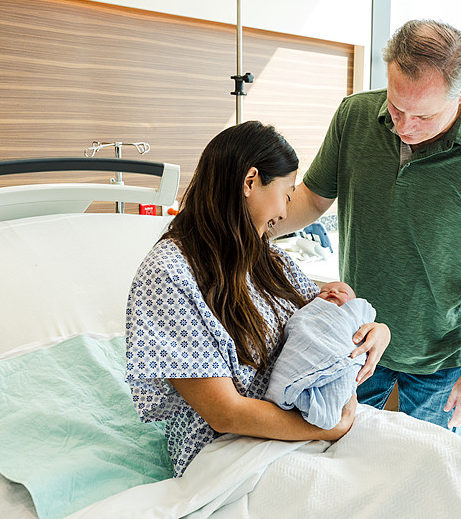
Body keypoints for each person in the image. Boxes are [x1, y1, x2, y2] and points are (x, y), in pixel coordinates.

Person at [269, 20, 461, 432]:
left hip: (440, 356)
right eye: (395, 108)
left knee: (420, 474)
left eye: (424, 116)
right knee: (342, 457)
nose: (404, 127)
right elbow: (314, 199)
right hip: (356, 339)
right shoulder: (354, 116)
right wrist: (243, 231)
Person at [125, 121, 390, 476]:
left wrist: (374, 332)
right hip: (230, 448)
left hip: (307, 423)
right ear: (250, 182)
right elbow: (225, 412)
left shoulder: (268, 257)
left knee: (434, 459)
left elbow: (320, 328)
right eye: (286, 193)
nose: (284, 212)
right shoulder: (168, 274)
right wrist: (326, 428)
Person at [265, 281, 378, 429]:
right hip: (303, 355)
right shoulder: (310, 312)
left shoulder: (354, 318)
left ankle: (320, 407)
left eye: (342, 292)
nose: (332, 292)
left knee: (335, 396)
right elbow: (297, 326)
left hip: (340, 356)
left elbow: (361, 336)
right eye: (324, 291)